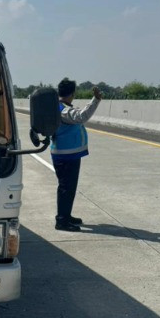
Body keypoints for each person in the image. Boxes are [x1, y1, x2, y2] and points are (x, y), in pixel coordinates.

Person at [50, 78, 102, 232]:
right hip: (66, 155)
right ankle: (62, 221)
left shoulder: (59, 107)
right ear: (72, 93)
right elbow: (81, 116)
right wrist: (96, 100)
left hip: (67, 154)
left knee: (68, 188)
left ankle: (65, 215)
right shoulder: (63, 110)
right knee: (66, 188)